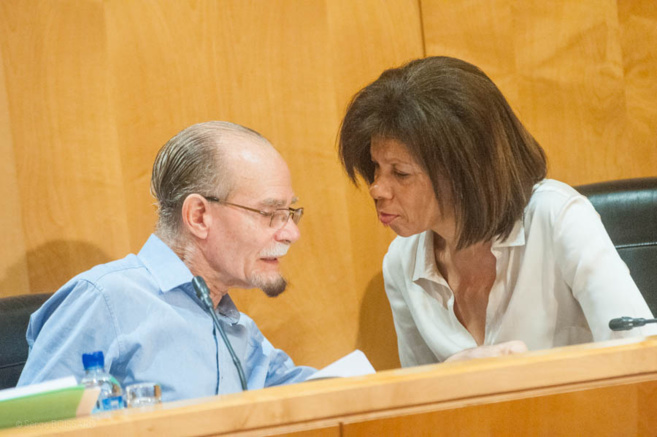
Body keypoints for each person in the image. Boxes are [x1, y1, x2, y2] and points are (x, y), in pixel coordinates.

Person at [338, 56, 657, 366]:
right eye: (377, 169)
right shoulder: (402, 262)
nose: (376, 189)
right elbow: (422, 401)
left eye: (401, 173)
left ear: (466, 169)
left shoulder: (558, 218)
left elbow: (642, 355)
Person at [18, 121, 315, 401]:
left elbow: (326, 396)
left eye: (290, 213)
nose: (291, 232)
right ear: (198, 216)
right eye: (270, 214)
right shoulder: (104, 301)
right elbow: (30, 426)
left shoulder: (238, 331)